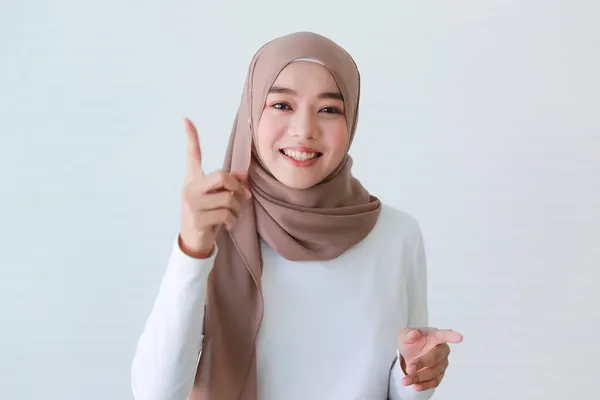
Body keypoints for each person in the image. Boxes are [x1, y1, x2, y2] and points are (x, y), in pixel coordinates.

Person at [130, 31, 463, 400]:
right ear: (252, 113)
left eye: (329, 109)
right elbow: (156, 393)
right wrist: (192, 248)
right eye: (282, 105)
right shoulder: (213, 227)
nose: (304, 130)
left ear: (351, 119)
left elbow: (400, 391)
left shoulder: (397, 235)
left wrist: (414, 373)